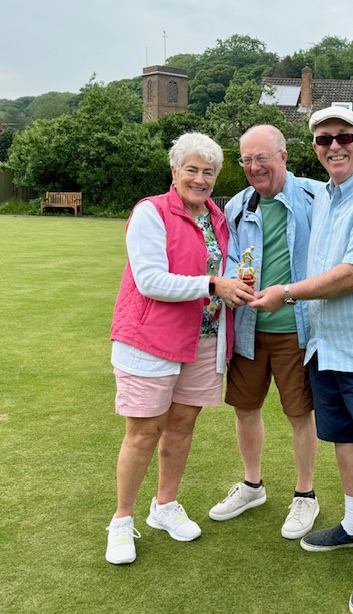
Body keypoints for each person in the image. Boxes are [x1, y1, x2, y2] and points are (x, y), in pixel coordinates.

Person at [209, 124, 353, 541]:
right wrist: (229, 283)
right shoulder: (234, 206)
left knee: (298, 413)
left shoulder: (316, 194)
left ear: (284, 157)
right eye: (247, 159)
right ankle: (252, 486)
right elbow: (225, 254)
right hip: (248, 326)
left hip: (300, 329)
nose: (254, 167)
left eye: (262, 157)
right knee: (245, 408)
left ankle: (305, 494)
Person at [249, 106, 353, 614]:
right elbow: (267, 175)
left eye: (344, 137)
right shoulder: (320, 194)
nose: (334, 146)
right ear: (314, 148)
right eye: (323, 140)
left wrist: (287, 293)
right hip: (327, 345)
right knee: (342, 439)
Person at [105, 132, 255, 565]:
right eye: (191, 169)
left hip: (205, 338)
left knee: (182, 426)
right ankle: (121, 520)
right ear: (174, 171)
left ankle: (165, 506)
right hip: (151, 340)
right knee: (143, 433)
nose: (201, 178)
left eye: (209, 171)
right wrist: (213, 284)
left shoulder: (217, 217)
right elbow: (150, 279)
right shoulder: (151, 212)